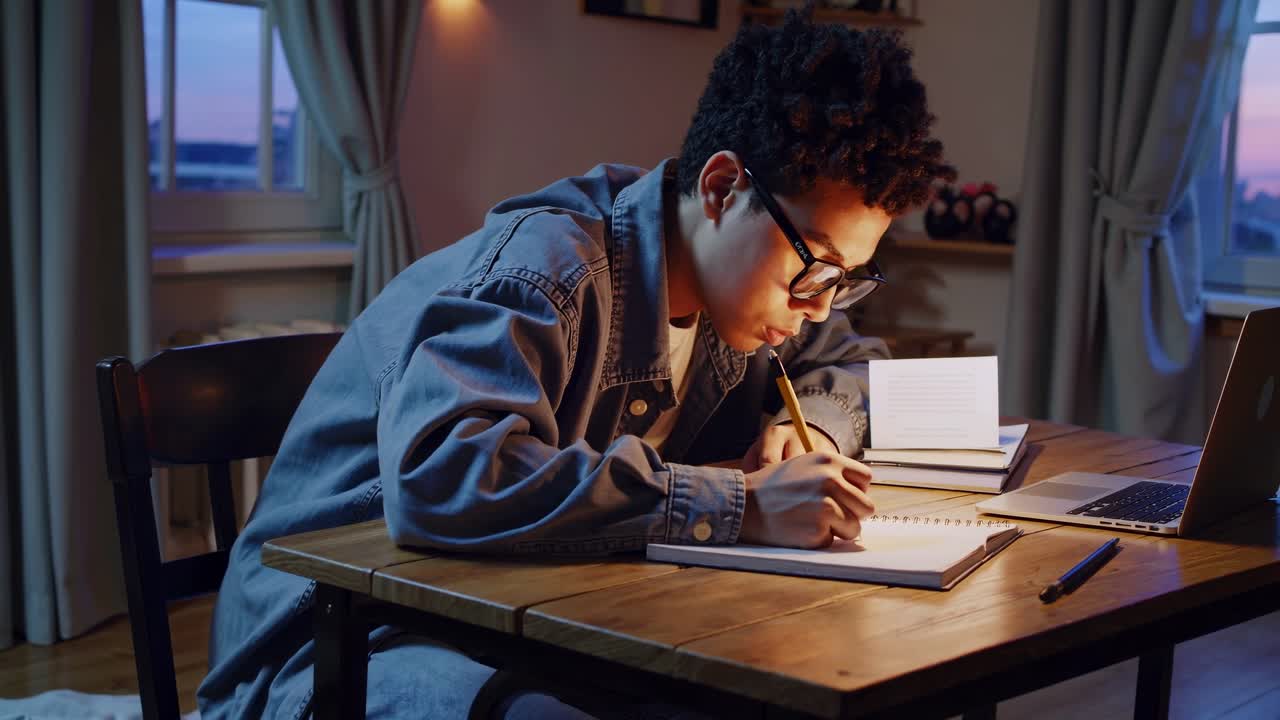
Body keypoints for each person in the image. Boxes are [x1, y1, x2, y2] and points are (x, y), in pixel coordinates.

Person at [197, 5, 954, 719]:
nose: (819, 305)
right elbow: (445, 476)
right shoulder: (546, 271)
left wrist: (812, 431)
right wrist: (742, 505)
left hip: (512, 623)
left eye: (846, 278)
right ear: (723, 190)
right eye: (815, 266)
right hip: (340, 643)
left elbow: (855, 366)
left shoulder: (751, 297)